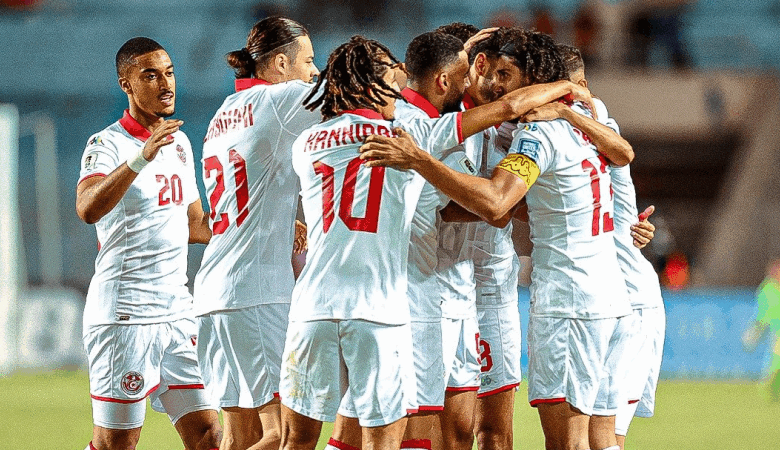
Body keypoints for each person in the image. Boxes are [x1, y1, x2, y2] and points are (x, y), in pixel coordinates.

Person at [279, 34, 596, 450]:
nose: (400, 87)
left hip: (311, 307)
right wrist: (568, 86)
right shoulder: (409, 135)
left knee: (298, 439)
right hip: (379, 307)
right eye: (392, 79)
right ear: (372, 86)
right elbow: (507, 110)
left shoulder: (306, 142)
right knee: (384, 438)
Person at [359, 30, 635, 450]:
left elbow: (496, 203)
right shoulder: (589, 120)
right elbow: (624, 153)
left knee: (568, 442)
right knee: (599, 440)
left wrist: (421, 161)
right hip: (607, 298)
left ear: (534, 84)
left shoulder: (536, 135)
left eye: (508, 76)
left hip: (566, 302)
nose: (499, 84)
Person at [75, 37, 220, 450]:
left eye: (169, 73)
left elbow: (195, 224)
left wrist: (262, 228)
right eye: (150, 75)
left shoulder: (179, 143)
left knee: (209, 434)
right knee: (115, 443)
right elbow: (87, 208)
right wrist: (140, 158)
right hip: (126, 315)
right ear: (127, 84)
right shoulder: (106, 144)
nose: (165, 83)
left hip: (178, 312)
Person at [193, 16, 318, 450]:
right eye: (308, 61)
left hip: (213, 293)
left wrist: (283, 218)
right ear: (281, 63)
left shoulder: (222, 114)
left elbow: (246, 187)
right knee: (286, 436)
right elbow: (353, 93)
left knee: (238, 438)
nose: (313, 72)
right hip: (258, 293)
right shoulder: (280, 99)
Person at [532, 43, 663, 450]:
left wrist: (568, 110)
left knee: (588, 438)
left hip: (620, 295)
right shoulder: (588, 127)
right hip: (616, 293)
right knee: (601, 440)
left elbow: (623, 153)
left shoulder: (592, 119)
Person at [743, 259, 780, 401]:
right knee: (775, 360)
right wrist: (757, 327)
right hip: (775, 329)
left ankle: (769, 386)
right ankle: (768, 386)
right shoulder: (767, 289)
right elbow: (762, 312)